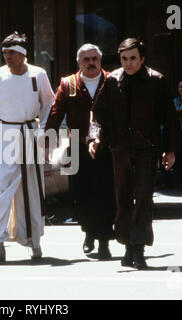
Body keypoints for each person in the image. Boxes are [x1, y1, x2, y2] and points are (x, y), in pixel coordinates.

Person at [92, 38, 181, 269]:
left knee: (143, 197)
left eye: (133, 58)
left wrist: (169, 150)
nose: (129, 63)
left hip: (146, 148)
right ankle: (127, 245)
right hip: (120, 148)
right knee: (122, 198)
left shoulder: (156, 80)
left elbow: (169, 118)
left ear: (142, 59)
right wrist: (95, 138)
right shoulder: (112, 80)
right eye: (124, 58)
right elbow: (98, 114)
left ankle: (139, 248)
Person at [0, 32, 54, 262]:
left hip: (29, 133)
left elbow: (49, 104)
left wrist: (45, 131)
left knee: (32, 190)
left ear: (22, 54)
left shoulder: (39, 75)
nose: (7, 56)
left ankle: (34, 242)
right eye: (5, 52)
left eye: (11, 53)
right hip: (3, 135)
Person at [45, 43, 115, 259]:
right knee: (81, 194)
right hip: (77, 147)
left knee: (106, 193)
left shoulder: (112, 80)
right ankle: (88, 233)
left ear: (100, 60)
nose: (91, 63)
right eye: (86, 59)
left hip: (106, 147)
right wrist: (48, 140)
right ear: (79, 62)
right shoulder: (69, 84)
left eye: (94, 58)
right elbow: (56, 114)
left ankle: (104, 240)